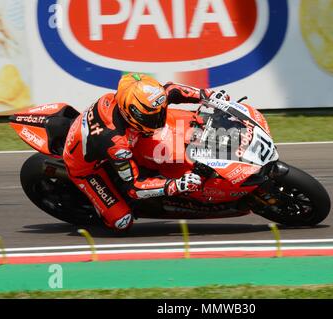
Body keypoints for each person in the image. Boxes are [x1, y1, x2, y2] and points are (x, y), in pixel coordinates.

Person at [63, 73, 222, 231]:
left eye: (160, 113)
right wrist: (175, 185)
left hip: (119, 138)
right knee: (122, 222)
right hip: (86, 168)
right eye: (151, 117)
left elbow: (172, 90)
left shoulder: (139, 103)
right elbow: (135, 188)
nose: (158, 120)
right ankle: (104, 208)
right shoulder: (116, 144)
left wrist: (208, 96)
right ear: (130, 113)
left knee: (176, 133)